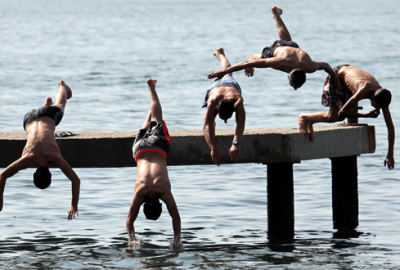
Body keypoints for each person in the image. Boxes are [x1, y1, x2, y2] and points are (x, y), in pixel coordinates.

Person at [0, 80, 80, 219]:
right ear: (34, 173)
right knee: (55, 110)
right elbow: (2, 176)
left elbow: (75, 180)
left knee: (60, 106)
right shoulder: (27, 159)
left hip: (47, 115)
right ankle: (55, 96)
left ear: (50, 173)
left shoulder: (54, 158)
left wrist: (74, 205)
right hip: (28, 117)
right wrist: (0, 201)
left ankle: (60, 90)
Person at [207, 6, 340, 90]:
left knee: (288, 41)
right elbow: (249, 63)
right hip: (276, 50)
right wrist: (224, 72)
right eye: (293, 86)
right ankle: (252, 52)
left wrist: (335, 79)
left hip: (292, 48)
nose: (295, 89)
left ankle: (276, 14)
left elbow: (327, 66)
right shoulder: (279, 63)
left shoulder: (311, 67)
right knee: (256, 58)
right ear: (289, 74)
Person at [298, 65, 395, 170]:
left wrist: (390, 154)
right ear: (372, 98)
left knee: (338, 118)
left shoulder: (382, 95)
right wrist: (367, 115)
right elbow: (342, 112)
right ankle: (304, 117)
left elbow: (390, 126)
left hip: (347, 77)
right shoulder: (363, 90)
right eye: (377, 106)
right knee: (334, 117)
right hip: (336, 77)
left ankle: (311, 121)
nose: (378, 108)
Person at [126, 79, 181, 246]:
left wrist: (177, 240)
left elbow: (176, 218)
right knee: (145, 129)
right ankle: (151, 106)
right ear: (144, 206)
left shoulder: (163, 191)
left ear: (160, 205)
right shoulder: (140, 193)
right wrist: (132, 238)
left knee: (157, 118)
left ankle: (152, 88)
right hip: (139, 149)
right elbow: (129, 221)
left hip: (157, 147)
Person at [203, 47, 246, 166]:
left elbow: (240, 124)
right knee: (211, 123)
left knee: (227, 71)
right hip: (214, 90)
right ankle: (220, 54)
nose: (226, 121)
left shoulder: (238, 101)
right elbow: (207, 126)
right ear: (216, 108)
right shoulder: (212, 101)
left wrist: (236, 143)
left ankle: (220, 54)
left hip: (231, 87)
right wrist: (213, 149)